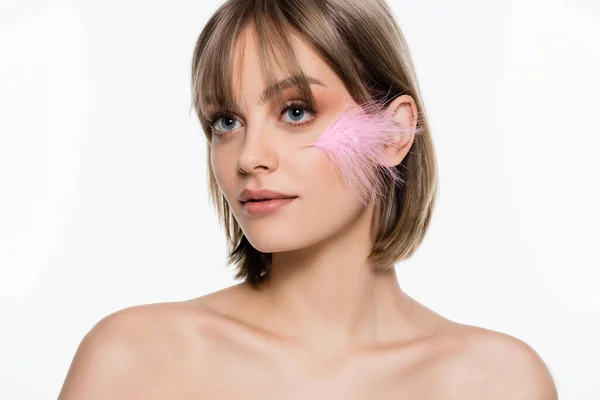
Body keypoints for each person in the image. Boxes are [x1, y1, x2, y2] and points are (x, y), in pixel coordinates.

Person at [58, 0, 558, 398]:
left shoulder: (500, 382)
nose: (249, 157)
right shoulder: (136, 358)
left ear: (394, 133)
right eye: (226, 121)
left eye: (296, 111)